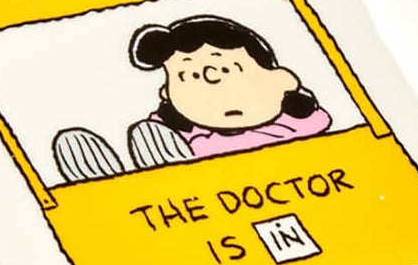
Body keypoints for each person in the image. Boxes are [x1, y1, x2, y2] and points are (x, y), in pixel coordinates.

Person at [52, 15, 334, 182]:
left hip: (246, 181)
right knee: (151, 138)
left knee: (167, 154)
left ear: (282, 79)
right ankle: (113, 186)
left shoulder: (298, 125)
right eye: (189, 77)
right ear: (167, 94)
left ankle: (169, 175)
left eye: (227, 70)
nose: (215, 88)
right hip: (194, 199)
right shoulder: (179, 136)